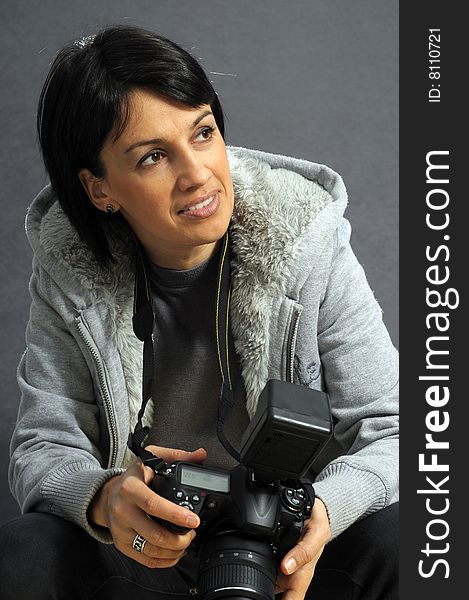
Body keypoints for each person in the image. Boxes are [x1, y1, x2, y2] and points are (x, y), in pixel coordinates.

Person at [0, 24, 398, 600]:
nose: (198, 174)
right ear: (99, 189)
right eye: (153, 157)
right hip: (149, 551)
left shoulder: (307, 238)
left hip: (292, 549)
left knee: (420, 539)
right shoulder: (71, 268)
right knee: (26, 555)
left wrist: (325, 513)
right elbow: (43, 445)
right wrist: (107, 500)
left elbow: (394, 427)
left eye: (203, 133)